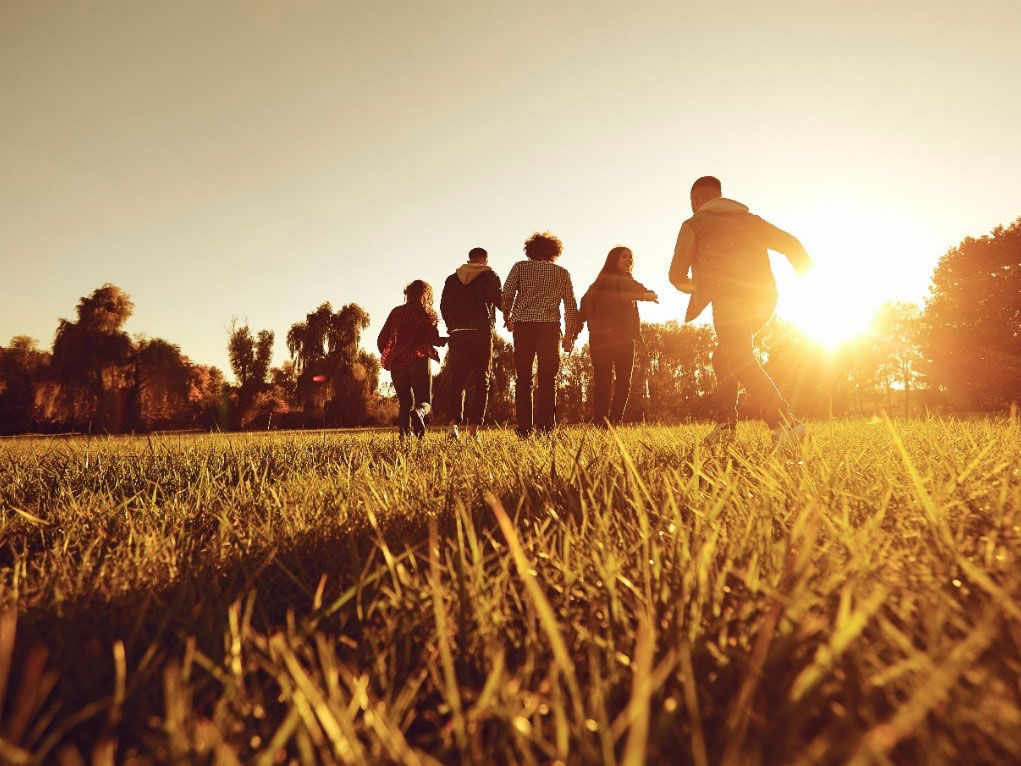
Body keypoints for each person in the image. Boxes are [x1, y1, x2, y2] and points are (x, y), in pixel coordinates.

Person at [669, 175, 813, 448]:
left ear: (695, 201)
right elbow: (791, 245)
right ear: (721, 196)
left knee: (738, 358)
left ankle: (786, 423)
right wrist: (810, 283)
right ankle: (725, 427)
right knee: (724, 358)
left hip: (730, 301)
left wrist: (698, 286)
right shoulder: (750, 220)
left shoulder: (694, 224)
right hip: (764, 299)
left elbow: (676, 276)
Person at [501, 232, 580, 437]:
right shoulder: (561, 272)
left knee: (523, 377)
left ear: (530, 250)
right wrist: (569, 335)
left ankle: (524, 428)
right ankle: (545, 427)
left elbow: (507, 293)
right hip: (549, 327)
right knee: (547, 378)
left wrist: (507, 317)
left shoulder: (520, 267)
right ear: (554, 251)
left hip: (523, 326)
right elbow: (570, 305)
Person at [578, 246, 658, 427]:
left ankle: (601, 422)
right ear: (614, 259)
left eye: (631, 257)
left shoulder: (596, 285)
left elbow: (582, 310)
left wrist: (573, 333)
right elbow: (629, 288)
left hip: (598, 338)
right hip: (621, 338)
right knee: (622, 380)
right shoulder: (621, 279)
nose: (629, 260)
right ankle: (613, 421)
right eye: (625, 256)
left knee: (602, 381)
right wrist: (646, 294)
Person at [439, 246, 502, 439]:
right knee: (481, 381)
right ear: (484, 259)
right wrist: (509, 316)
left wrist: (452, 326)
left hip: (458, 334)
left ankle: (452, 426)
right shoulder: (489, 276)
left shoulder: (452, 279)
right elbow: (499, 300)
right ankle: (473, 429)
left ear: (469, 259)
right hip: (481, 333)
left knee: (456, 381)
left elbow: (444, 305)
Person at [377, 280, 446, 438]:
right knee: (425, 402)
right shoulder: (427, 313)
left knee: (405, 403)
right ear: (426, 295)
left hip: (397, 365)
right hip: (419, 361)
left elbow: (381, 339)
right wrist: (448, 340)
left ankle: (404, 437)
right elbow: (435, 340)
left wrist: (390, 354)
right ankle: (419, 415)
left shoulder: (396, 312)